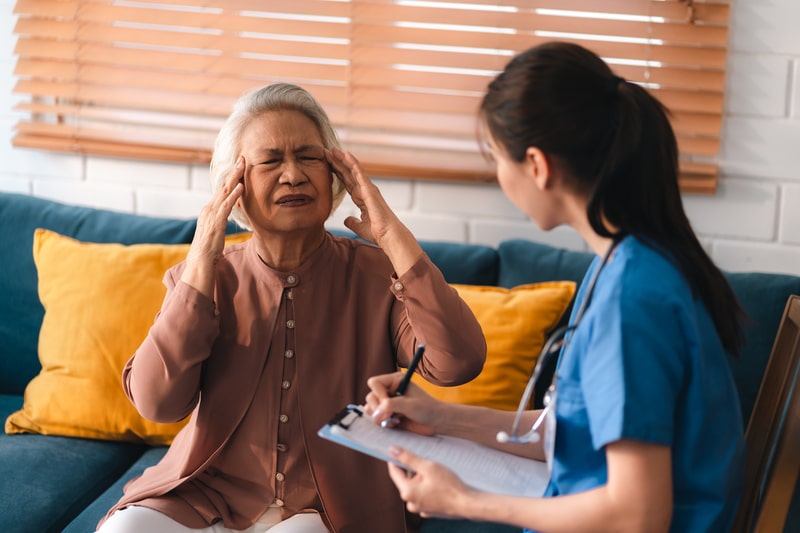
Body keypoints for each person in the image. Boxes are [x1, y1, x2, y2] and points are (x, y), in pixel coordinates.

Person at [365, 41, 746, 533]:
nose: (498, 177)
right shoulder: (623, 264)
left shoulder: (633, 299)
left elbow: (638, 515)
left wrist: (467, 501)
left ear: (538, 166)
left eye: (497, 160)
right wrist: (442, 418)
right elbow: (573, 433)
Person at [96, 82, 487, 533]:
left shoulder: (378, 275)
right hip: (207, 492)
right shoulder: (204, 277)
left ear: (334, 173)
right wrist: (202, 257)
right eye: (270, 161)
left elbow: (459, 362)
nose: (293, 175)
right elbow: (157, 403)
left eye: (308, 157)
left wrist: (391, 233)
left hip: (328, 502)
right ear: (235, 185)